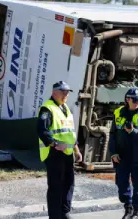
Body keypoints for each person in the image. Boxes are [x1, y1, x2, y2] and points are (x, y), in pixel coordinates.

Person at [37, 81, 82, 219]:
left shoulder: (65, 108)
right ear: (54, 92)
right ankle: (55, 216)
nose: (66, 95)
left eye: (67, 92)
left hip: (67, 153)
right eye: (63, 92)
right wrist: (55, 144)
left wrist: (76, 149)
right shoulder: (47, 108)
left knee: (69, 184)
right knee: (56, 187)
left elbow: (70, 132)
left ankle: (64, 212)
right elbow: (42, 131)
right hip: (54, 153)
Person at [109, 88, 138, 219]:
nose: (137, 103)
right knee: (122, 183)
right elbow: (112, 134)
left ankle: (137, 211)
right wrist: (113, 153)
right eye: (134, 100)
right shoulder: (118, 113)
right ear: (127, 99)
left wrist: (133, 131)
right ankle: (128, 208)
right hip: (122, 155)